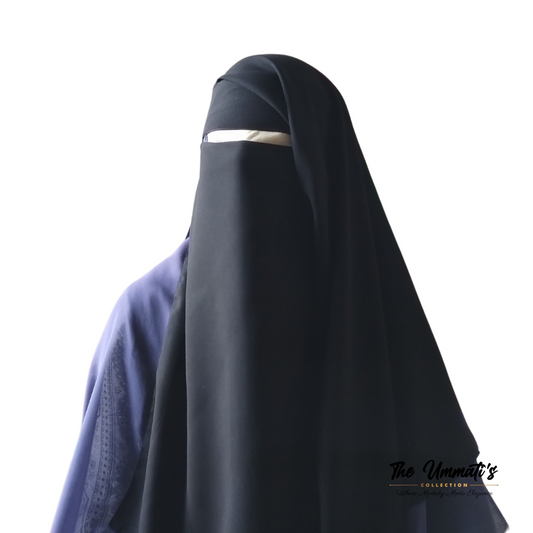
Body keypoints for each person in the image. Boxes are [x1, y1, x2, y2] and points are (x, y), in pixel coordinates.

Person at [51, 54, 508, 533]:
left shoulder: (376, 314)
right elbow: (93, 499)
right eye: (226, 164)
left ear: (326, 180)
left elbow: (443, 495)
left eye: (269, 165)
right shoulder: (148, 314)